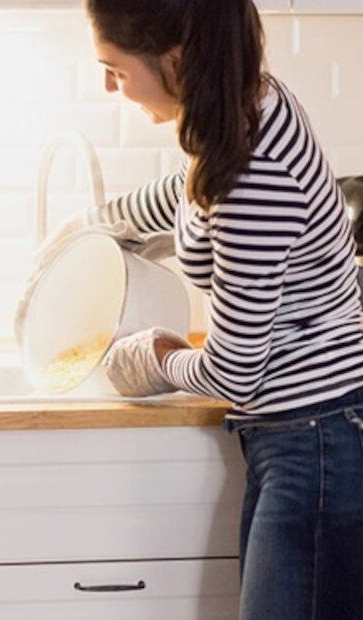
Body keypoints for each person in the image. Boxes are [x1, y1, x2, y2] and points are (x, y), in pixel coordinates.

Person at [72, 1, 363, 618]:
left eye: (116, 69)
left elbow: (233, 372)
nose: (108, 85)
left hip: (319, 439)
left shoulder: (254, 174)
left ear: (175, 60)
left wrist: (150, 356)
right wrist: (90, 229)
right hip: (308, 431)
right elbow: (188, 191)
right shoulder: (239, 107)